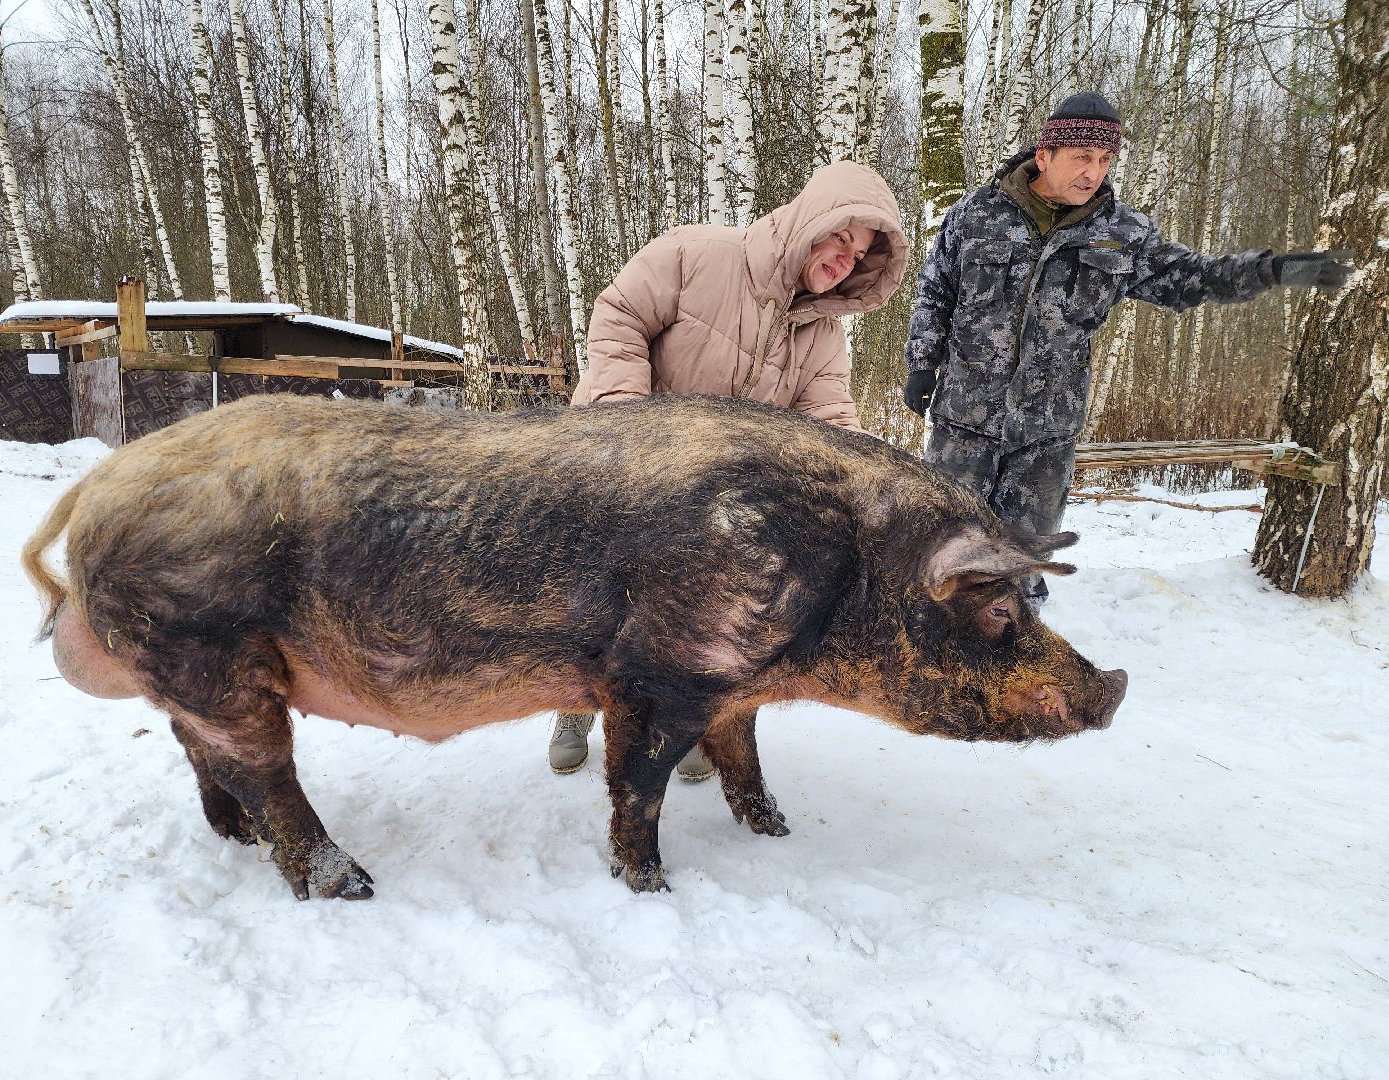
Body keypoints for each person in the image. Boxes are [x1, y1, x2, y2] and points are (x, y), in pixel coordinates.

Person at [903, 92, 1353, 606]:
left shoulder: (1123, 235)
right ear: (1045, 156)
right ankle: (929, 665)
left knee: (1022, 565)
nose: (1093, 173)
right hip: (964, 423)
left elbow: (1192, 278)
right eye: (1081, 158)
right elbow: (935, 291)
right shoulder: (975, 215)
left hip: (1045, 437)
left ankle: (1010, 669)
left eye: (1104, 160)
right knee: (941, 556)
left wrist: (1270, 270)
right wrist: (922, 362)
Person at [548, 158, 910, 777]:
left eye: (860, 256)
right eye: (840, 239)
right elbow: (618, 315)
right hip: (618, 459)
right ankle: (575, 709)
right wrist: (626, 421)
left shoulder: (823, 336)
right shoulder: (699, 255)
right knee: (597, 598)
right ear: (808, 222)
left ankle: (688, 725)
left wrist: (864, 491)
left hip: (711, 499)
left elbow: (830, 423)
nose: (844, 261)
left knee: (696, 608)